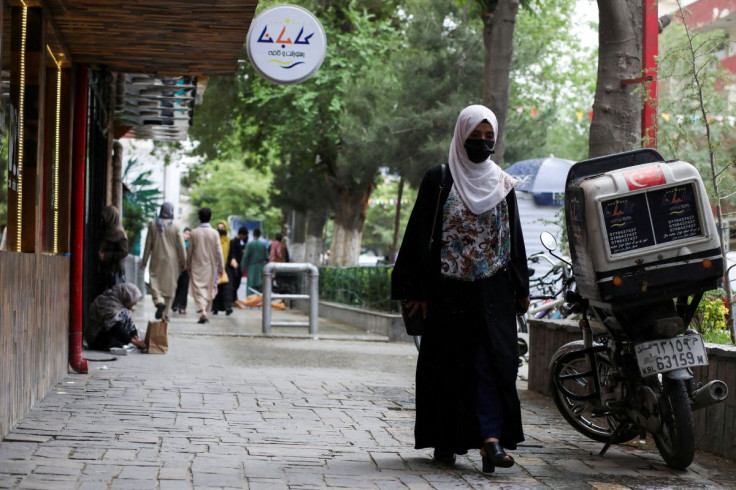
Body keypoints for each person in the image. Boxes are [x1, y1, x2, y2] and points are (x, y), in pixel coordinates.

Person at [391, 105, 530, 474]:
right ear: (460, 135)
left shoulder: (503, 184)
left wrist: (521, 288)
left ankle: (491, 441)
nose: (482, 143)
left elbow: (513, 239)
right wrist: (414, 290)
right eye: (475, 136)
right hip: (447, 294)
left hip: (493, 293)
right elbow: (420, 234)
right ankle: (447, 439)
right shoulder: (439, 179)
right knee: (448, 367)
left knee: (493, 365)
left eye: (489, 137)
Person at [140, 202, 187, 321]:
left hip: (156, 258)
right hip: (172, 261)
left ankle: (159, 302)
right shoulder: (176, 225)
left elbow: (148, 244)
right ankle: (165, 314)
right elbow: (181, 245)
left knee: (155, 282)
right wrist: (183, 261)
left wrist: (144, 260)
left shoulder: (153, 224)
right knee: (170, 287)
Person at [187, 208, 223, 324]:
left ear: (199, 217)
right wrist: (221, 267)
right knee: (208, 288)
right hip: (211, 265)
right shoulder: (215, 233)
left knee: (198, 290)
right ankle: (204, 310)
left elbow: (190, 251)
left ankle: (202, 310)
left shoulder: (194, 232)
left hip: (196, 264)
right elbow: (219, 251)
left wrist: (188, 265)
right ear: (210, 217)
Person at [86, 283, 147, 351]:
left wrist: (134, 334)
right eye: (133, 302)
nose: (134, 305)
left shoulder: (120, 303)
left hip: (109, 335)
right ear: (126, 297)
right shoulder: (107, 302)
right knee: (123, 315)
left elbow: (130, 322)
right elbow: (114, 328)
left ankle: (118, 343)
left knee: (126, 313)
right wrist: (136, 343)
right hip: (96, 338)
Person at [98, 206, 129, 293]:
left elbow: (124, 252)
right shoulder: (105, 231)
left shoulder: (120, 233)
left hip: (114, 271)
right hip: (104, 270)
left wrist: (106, 255)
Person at [212, 220, 234, 315]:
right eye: (219, 228)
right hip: (215, 267)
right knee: (216, 289)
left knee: (227, 289)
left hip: (226, 268)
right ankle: (215, 308)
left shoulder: (230, 242)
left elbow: (233, 254)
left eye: (223, 227)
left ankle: (228, 307)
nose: (221, 229)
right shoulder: (213, 241)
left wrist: (233, 259)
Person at [241, 228, 268, 293]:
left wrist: (242, 268)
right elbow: (266, 257)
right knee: (260, 285)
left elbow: (245, 257)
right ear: (259, 235)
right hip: (261, 267)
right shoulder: (263, 245)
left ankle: (250, 300)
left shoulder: (249, 244)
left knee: (251, 285)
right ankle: (259, 301)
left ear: (253, 235)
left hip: (252, 268)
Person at [172, 227, 191, 314]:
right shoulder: (178, 243)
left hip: (187, 269)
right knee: (176, 286)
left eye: (189, 234)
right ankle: (174, 304)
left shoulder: (191, 245)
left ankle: (182, 307)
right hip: (177, 267)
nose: (187, 235)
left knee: (184, 288)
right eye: (186, 233)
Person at [228, 227, 248, 301]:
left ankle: (234, 298)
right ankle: (233, 299)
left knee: (236, 283)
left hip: (237, 266)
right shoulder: (233, 242)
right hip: (235, 266)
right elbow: (233, 254)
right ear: (242, 235)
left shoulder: (238, 242)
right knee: (235, 283)